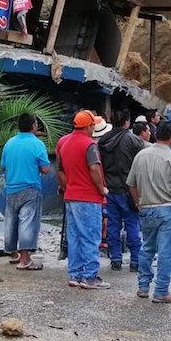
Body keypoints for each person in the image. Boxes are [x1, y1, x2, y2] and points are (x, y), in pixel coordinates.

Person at [127, 121, 171, 302]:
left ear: (156, 135)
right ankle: (161, 290)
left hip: (146, 208)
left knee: (147, 247)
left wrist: (138, 202)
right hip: (167, 209)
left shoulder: (141, 156)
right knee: (166, 251)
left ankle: (143, 286)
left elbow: (131, 183)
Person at [57, 110, 110, 290]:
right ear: (88, 126)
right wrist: (101, 188)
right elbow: (94, 169)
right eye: (93, 125)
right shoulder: (89, 145)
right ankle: (89, 277)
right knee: (90, 237)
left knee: (75, 237)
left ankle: (75, 274)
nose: (94, 127)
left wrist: (67, 187)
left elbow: (60, 170)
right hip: (88, 197)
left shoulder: (64, 143)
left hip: (71, 197)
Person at [1, 113, 51, 270]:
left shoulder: (9, 143)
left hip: (11, 188)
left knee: (11, 221)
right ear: (33, 126)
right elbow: (45, 169)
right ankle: (25, 260)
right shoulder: (37, 144)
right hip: (30, 188)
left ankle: (14, 254)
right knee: (27, 223)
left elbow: (3, 166)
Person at [99, 110, 146, 272]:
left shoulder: (103, 140)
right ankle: (135, 261)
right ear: (127, 122)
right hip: (129, 190)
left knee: (113, 225)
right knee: (132, 225)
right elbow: (141, 166)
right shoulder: (133, 140)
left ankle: (116, 259)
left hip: (110, 189)